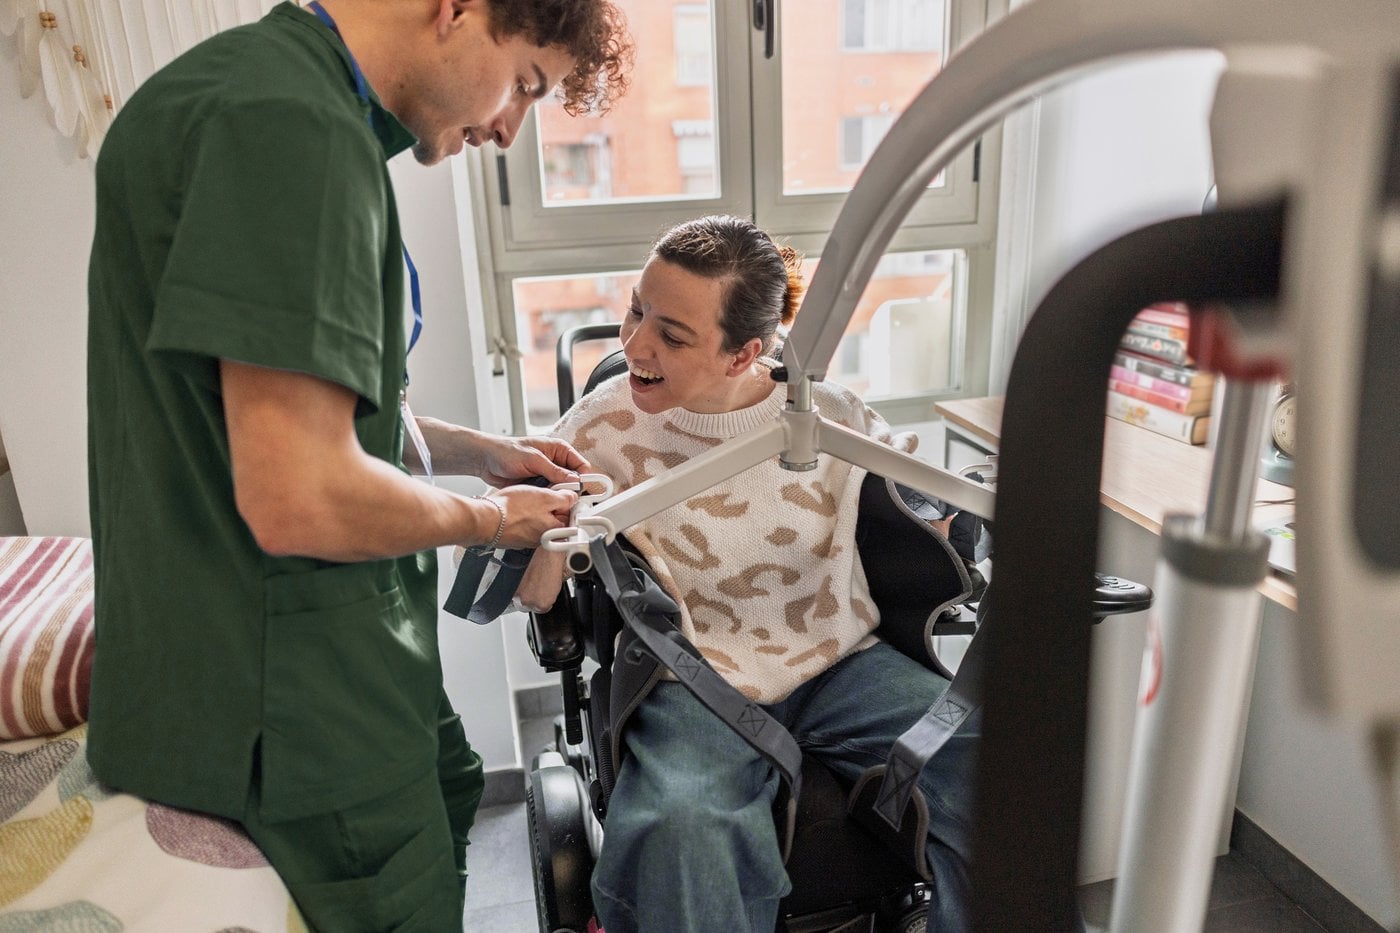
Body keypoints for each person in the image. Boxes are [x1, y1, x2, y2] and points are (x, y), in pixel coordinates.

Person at [84, 1, 632, 929]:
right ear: (457, 10)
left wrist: (481, 454)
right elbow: (302, 494)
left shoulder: (242, 89)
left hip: (292, 660)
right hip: (293, 702)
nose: (507, 129)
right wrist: (492, 520)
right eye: (523, 84)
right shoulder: (294, 133)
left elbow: (302, 407)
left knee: (453, 784)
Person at [516, 215, 979, 931]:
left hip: (840, 662)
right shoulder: (599, 427)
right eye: (637, 309)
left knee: (993, 767)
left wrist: (950, 517)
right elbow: (534, 594)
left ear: (744, 354)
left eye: (672, 336)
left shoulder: (826, 413)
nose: (633, 344)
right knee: (683, 830)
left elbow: (921, 509)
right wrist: (545, 524)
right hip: (691, 676)